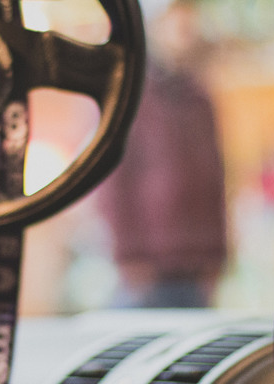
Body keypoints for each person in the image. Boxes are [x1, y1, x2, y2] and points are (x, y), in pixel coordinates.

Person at [97, 0, 226, 308]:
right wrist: (129, 255)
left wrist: (217, 254)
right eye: (175, 21)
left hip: (197, 267)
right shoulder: (131, 96)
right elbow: (114, 179)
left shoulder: (201, 98)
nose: (184, 30)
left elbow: (215, 178)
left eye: (188, 21)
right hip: (148, 268)